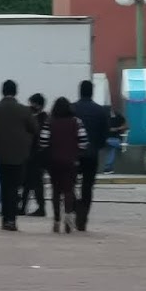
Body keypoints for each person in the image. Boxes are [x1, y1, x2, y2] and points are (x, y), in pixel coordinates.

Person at [0, 80, 37, 232]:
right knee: (14, 186)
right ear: (16, 92)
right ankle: (12, 219)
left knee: (4, 186)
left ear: (2, 91)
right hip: (20, 155)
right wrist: (26, 144)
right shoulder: (25, 111)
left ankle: (6, 218)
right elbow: (35, 129)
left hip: (1, 154)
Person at [39, 97, 89, 234]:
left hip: (53, 161)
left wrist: (48, 153)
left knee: (56, 190)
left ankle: (56, 220)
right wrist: (77, 153)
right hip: (71, 162)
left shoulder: (49, 121)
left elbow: (43, 141)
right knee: (69, 190)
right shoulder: (77, 122)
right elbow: (84, 141)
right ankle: (68, 218)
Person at [70, 80, 110, 231]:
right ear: (91, 92)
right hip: (92, 154)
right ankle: (83, 218)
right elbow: (104, 134)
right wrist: (96, 146)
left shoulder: (72, 108)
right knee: (87, 186)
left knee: (70, 184)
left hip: (74, 154)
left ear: (79, 91)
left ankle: (74, 206)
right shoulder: (100, 111)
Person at [19, 93, 49, 218]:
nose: (30, 106)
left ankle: (40, 208)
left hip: (37, 155)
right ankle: (24, 207)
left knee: (36, 183)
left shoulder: (42, 118)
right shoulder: (36, 117)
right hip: (30, 155)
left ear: (38, 105)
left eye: (32, 103)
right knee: (27, 182)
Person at [103, 108, 128, 174]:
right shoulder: (105, 118)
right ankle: (108, 168)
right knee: (112, 148)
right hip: (110, 140)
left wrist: (117, 128)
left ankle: (108, 168)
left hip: (114, 140)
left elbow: (126, 126)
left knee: (111, 145)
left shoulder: (118, 116)